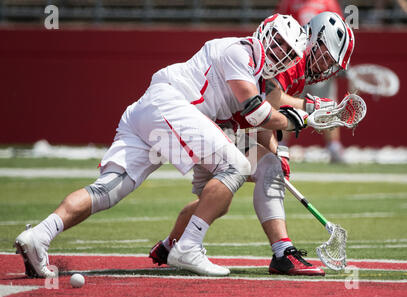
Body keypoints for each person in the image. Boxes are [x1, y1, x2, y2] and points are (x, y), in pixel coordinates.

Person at [14, 14, 308, 278]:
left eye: (288, 52)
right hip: (169, 104)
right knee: (236, 167)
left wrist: (289, 121)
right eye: (279, 42)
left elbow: (246, 116)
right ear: (265, 31)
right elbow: (257, 113)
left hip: (150, 111)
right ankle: (188, 247)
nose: (280, 52)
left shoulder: (254, 71)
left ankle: (40, 234)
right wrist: (296, 120)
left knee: (107, 190)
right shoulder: (241, 51)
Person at [150, 12, 355, 276]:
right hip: (212, 124)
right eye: (326, 56)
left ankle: (170, 246)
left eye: (331, 63)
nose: (327, 66)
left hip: (223, 125)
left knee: (216, 202)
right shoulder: (292, 56)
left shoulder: (299, 65)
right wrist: (305, 112)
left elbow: (264, 109)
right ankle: (283, 253)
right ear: (314, 39)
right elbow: (266, 104)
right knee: (266, 169)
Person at [276, 0, 347, 162]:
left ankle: (334, 146)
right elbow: (282, 24)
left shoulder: (328, 2)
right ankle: (281, 145)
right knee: (288, 104)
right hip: (296, 60)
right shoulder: (289, 2)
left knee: (327, 104)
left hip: (322, 63)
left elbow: (340, 32)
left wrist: (334, 61)